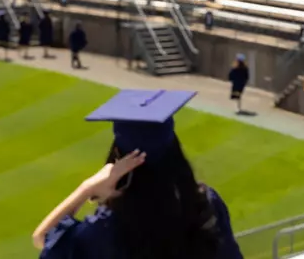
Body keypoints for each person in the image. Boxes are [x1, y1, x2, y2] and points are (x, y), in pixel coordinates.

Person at [31, 89, 242, 258]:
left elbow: (43, 238)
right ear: (174, 151)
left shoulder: (106, 229)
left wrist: (88, 188)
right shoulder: (206, 204)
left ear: (119, 161)